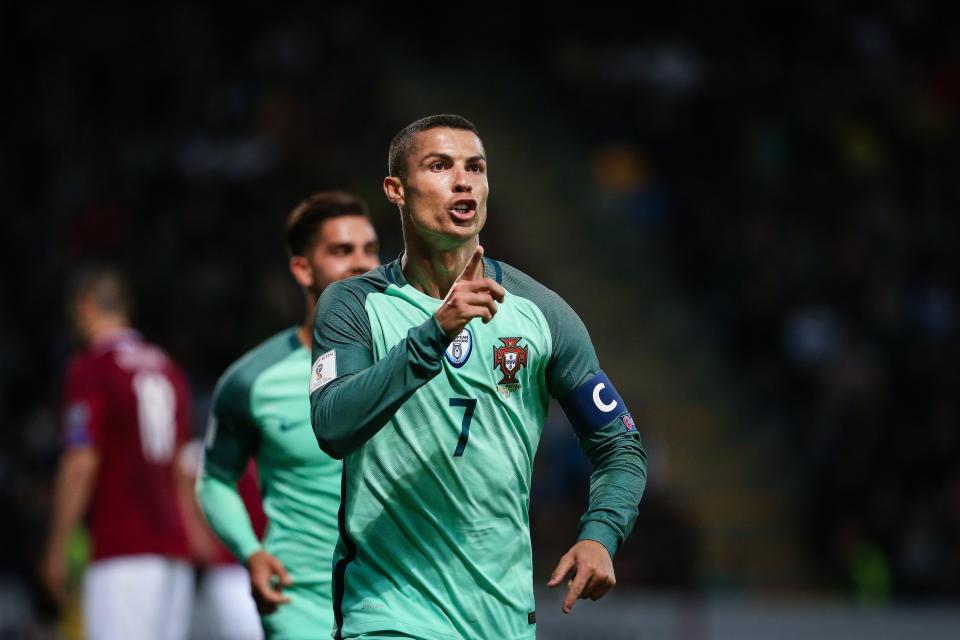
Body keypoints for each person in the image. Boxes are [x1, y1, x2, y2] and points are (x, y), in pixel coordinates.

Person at [309, 114, 648, 640]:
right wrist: (433, 334)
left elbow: (620, 447)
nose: (463, 180)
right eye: (440, 166)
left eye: (476, 168)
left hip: (502, 620)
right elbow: (333, 424)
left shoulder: (542, 313)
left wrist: (601, 534)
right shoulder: (354, 305)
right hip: (387, 613)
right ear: (396, 189)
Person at [197, 191, 380, 639]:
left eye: (369, 249)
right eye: (341, 251)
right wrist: (251, 553)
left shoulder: (412, 363)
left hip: (394, 597)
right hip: (299, 602)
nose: (361, 263)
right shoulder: (252, 381)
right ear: (302, 268)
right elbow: (215, 479)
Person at [42, 266, 197, 640]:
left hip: (122, 550)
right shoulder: (168, 368)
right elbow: (181, 468)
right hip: (174, 552)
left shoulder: (93, 368)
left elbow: (81, 460)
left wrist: (57, 547)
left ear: (86, 305)